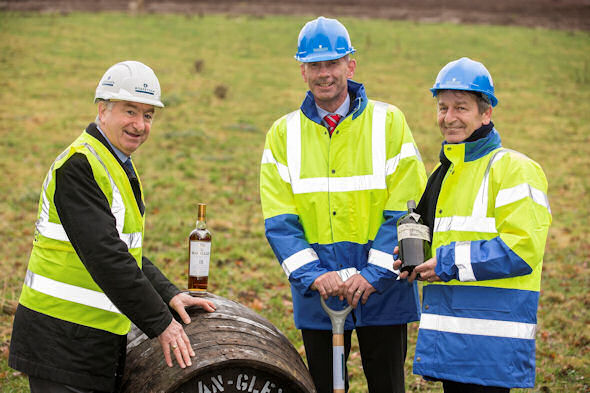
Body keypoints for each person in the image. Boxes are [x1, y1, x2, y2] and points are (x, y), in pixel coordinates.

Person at [9, 60, 216, 393]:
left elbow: (126, 250)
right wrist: (161, 323)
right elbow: (106, 255)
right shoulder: (79, 166)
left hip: (90, 343)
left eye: (148, 115)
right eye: (130, 111)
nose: (139, 125)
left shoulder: (116, 164)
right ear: (102, 110)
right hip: (61, 343)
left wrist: (169, 294)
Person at [260, 16, 427, 392]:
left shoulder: (389, 122)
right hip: (322, 291)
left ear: (350, 65)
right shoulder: (283, 135)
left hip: (383, 288)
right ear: (303, 71)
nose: (324, 74)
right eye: (315, 66)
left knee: (387, 384)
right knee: (325, 385)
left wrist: (374, 274)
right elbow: (279, 220)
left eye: (332, 64)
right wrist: (316, 276)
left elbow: (408, 209)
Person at [395, 57, 552, 392]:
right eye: (443, 107)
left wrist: (448, 262)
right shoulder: (446, 172)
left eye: (461, 108)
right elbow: (445, 240)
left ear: (486, 113)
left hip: (490, 346)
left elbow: (522, 248)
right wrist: (415, 261)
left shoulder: (513, 168)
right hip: (453, 340)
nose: (449, 118)